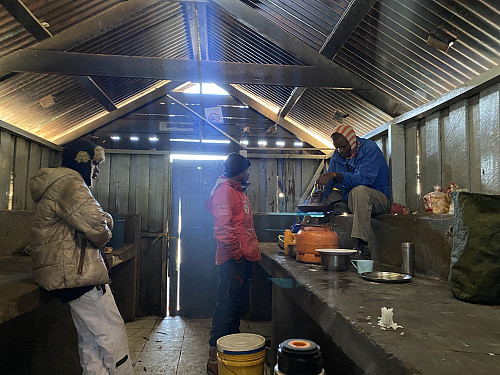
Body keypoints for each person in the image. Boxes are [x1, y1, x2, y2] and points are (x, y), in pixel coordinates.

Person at [29, 139, 133, 375]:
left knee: (90, 340)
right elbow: (98, 229)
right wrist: (108, 220)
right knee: (111, 334)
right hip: (78, 273)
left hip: (63, 271)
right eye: (95, 164)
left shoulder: (54, 184)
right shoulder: (71, 184)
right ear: (83, 161)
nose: (96, 171)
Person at [204, 152, 262, 375]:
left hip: (244, 259)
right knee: (226, 308)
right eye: (245, 170)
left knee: (236, 308)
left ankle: (233, 357)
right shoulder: (225, 191)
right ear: (238, 170)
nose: (248, 173)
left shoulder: (238, 192)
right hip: (232, 260)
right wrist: (237, 255)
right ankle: (214, 363)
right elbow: (223, 230)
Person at [315, 124, 390, 259]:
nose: (341, 151)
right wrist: (318, 194)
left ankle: (360, 245)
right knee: (323, 197)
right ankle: (305, 232)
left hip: (377, 199)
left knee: (359, 191)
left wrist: (338, 175)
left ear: (352, 141)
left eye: (344, 147)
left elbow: (364, 179)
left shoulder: (370, 149)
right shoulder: (337, 156)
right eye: (337, 148)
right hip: (351, 199)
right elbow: (330, 180)